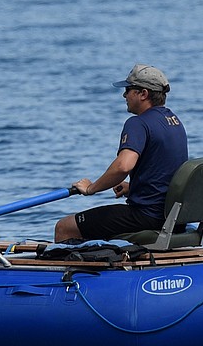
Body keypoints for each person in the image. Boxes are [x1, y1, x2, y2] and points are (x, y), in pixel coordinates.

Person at [55, 64, 188, 243]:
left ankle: (77, 269)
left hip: (147, 216)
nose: (124, 95)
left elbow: (123, 166)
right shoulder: (175, 122)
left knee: (65, 227)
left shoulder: (137, 123)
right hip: (173, 218)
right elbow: (164, 171)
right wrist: (133, 188)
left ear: (143, 94)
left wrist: (90, 188)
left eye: (128, 90)